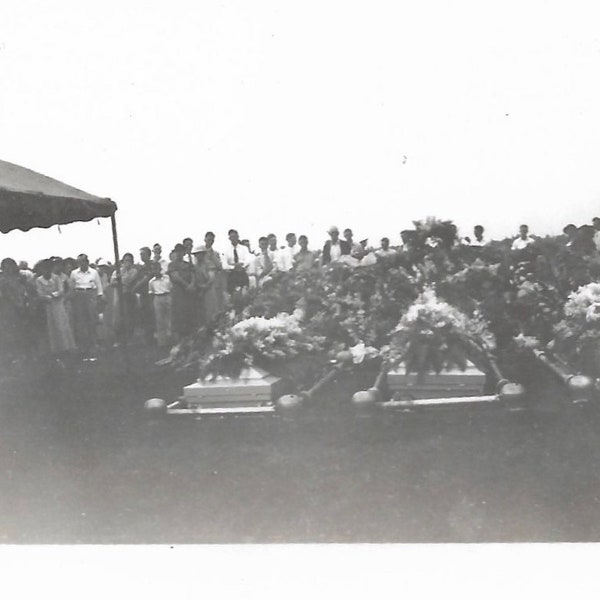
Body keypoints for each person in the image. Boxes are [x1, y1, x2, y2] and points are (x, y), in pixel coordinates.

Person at [35, 259, 76, 357]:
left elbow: (61, 290)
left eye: (48, 269)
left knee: (61, 325)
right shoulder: (39, 280)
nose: (47, 271)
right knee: (50, 326)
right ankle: (54, 348)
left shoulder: (56, 278)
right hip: (47, 306)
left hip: (58, 304)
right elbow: (40, 293)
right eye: (45, 269)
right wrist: (48, 297)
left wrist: (54, 295)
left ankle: (65, 347)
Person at [0, 258, 37, 365]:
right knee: (10, 334)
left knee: (25, 332)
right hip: (8, 310)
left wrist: (28, 303)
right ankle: (13, 356)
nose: (8, 269)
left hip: (23, 309)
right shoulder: (2, 280)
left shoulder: (22, 278)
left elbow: (31, 291)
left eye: (9, 266)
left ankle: (27, 355)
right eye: (5, 267)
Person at [69, 253, 103, 357]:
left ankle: (94, 344)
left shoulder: (93, 272)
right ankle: (83, 346)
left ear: (87, 262)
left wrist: (99, 296)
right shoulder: (74, 273)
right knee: (81, 321)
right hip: (79, 295)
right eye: (79, 262)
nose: (81, 264)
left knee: (92, 319)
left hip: (90, 293)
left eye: (83, 261)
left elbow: (99, 285)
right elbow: (71, 287)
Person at [168, 243, 196, 340]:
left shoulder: (188, 264)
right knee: (179, 314)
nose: (179, 253)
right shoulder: (172, 265)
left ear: (184, 253)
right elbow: (175, 277)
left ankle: (190, 338)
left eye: (181, 251)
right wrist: (187, 285)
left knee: (189, 312)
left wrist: (192, 284)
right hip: (179, 292)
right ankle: (180, 339)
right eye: (177, 252)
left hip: (189, 293)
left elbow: (193, 274)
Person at [110, 253, 139, 344]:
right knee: (117, 318)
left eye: (130, 260)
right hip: (119, 297)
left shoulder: (134, 271)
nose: (128, 263)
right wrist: (120, 281)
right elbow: (112, 283)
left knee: (129, 317)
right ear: (122, 261)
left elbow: (129, 281)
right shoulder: (117, 271)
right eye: (126, 260)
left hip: (130, 296)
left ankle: (129, 339)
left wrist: (120, 280)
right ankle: (118, 340)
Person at [148, 261, 172, 348]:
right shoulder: (151, 281)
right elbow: (151, 293)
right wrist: (152, 303)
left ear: (160, 269)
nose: (155, 271)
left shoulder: (167, 278)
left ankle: (171, 340)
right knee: (160, 320)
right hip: (157, 298)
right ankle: (162, 342)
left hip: (167, 296)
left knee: (169, 318)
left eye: (157, 269)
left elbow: (171, 288)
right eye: (153, 269)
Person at [202, 231, 226, 321]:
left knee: (217, 300)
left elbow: (219, 266)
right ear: (205, 240)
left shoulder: (215, 253)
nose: (210, 242)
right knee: (207, 302)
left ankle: (217, 320)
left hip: (215, 277)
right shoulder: (201, 252)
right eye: (208, 240)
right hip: (204, 276)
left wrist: (212, 255)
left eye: (212, 240)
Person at [134, 247, 155, 344]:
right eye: (140, 254)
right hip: (143, 295)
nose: (141, 256)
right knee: (145, 316)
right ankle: (148, 338)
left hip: (152, 294)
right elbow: (136, 281)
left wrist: (140, 283)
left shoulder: (153, 265)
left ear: (149, 255)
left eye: (143, 254)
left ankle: (154, 337)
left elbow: (149, 277)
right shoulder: (141, 268)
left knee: (153, 315)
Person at [222, 229, 251, 294]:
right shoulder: (226, 250)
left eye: (235, 236)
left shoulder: (244, 248)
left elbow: (247, 260)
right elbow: (224, 265)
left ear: (238, 237)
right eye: (231, 237)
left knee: (244, 292)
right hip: (232, 274)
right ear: (229, 238)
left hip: (242, 272)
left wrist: (241, 266)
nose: (233, 239)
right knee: (233, 293)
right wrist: (234, 266)